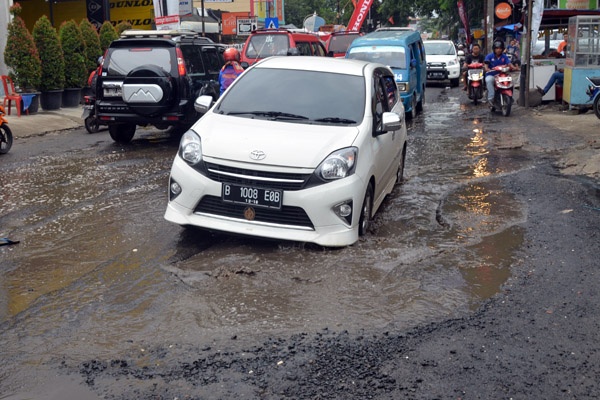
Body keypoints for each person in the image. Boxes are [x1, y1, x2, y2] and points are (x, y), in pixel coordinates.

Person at [484, 39, 518, 106]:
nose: (498, 50)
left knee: (510, 81)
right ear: (494, 49)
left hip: (502, 75)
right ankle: (491, 97)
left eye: (500, 48)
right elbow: (486, 64)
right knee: (489, 80)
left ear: (502, 49)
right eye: (497, 48)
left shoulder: (504, 57)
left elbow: (509, 64)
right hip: (492, 74)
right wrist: (486, 68)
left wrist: (514, 68)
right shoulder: (489, 56)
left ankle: (510, 97)